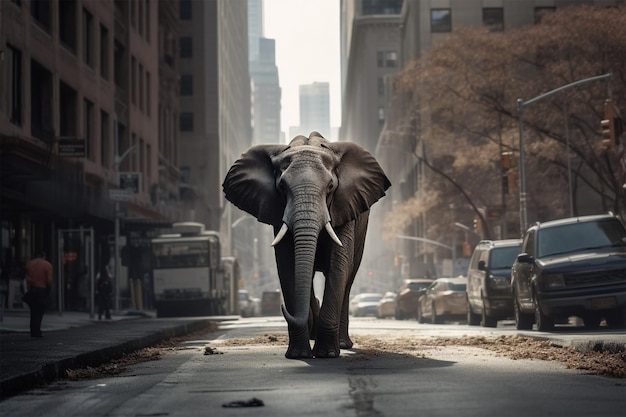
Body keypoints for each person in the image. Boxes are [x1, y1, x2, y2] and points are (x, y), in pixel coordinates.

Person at [25, 250, 53, 338]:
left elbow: (27, 277)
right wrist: (49, 289)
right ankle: (37, 331)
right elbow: (49, 280)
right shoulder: (47, 265)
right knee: (40, 311)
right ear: (43, 256)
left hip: (32, 289)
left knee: (33, 311)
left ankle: (33, 330)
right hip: (42, 289)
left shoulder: (30, 264)